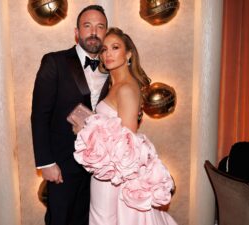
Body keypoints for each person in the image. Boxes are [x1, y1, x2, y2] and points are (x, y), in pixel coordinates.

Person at [72, 27, 178, 225]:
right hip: (108, 171)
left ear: (128, 53)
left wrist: (86, 131)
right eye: (104, 50)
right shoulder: (116, 85)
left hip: (114, 173)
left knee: (103, 220)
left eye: (115, 47)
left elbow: (127, 143)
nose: (108, 54)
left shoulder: (127, 88)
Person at [31, 5, 109, 225]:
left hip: (99, 170)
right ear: (77, 33)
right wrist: (45, 163)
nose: (93, 32)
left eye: (100, 27)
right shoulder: (54, 62)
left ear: (106, 32)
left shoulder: (113, 67)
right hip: (62, 166)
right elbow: (39, 115)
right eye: (87, 26)